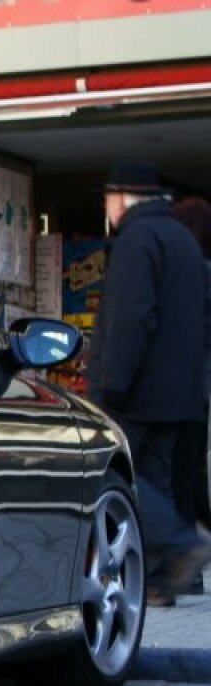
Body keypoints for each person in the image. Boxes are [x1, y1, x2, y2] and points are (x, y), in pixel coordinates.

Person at [87, 161, 211, 606]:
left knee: (127, 478)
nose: (107, 207)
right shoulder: (181, 238)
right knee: (154, 477)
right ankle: (159, 582)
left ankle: (180, 543)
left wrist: (111, 386)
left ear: (121, 196)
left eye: (107, 198)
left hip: (139, 392)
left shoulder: (137, 239)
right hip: (180, 393)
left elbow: (131, 317)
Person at [171, 195, 211, 567]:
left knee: (181, 475)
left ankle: (187, 543)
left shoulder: (193, 271)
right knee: (189, 473)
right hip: (194, 391)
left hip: (187, 390)